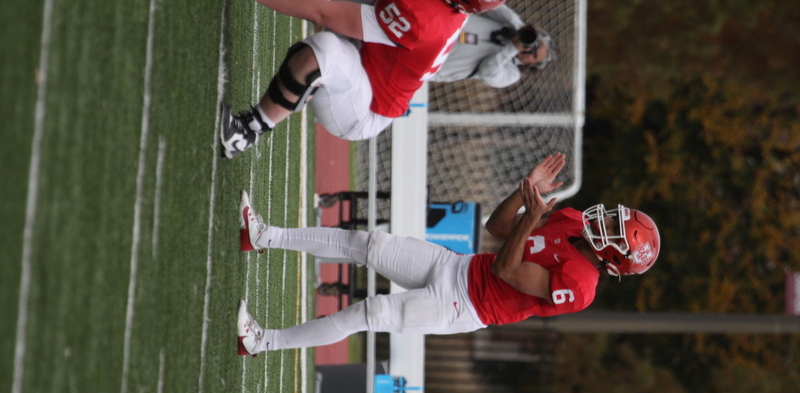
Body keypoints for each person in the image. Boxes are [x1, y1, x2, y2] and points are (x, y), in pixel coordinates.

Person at [235, 153, 661, 355]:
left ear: (615, 256)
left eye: (615, 230)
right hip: (457, 267)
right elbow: (496, 229)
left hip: (462, 305)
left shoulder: (582, 286)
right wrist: (523, 190)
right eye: (614, 219)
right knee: (366, 243)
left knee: (370, 313)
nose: (604, 221)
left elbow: (508, 269)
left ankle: (262, 342)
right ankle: (263, 236)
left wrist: (531, 218)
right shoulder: (569, 220)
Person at [219, 0, 507, 159]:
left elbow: (324, 12)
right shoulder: (444, 10)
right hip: (367, 57)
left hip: (365, 105)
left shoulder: (425, 19)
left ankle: (247, 131)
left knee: (323, 52)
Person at [429, 5, 556, 88]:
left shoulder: (512, 74)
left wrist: (513, 48)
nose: (529, 51)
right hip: (435, 28)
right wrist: (520, 28)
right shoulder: (509, 25)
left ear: (533, 64)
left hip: (430, 62)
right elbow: (491, 6)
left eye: (534, 55)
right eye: (535, 45)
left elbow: (487, 72)